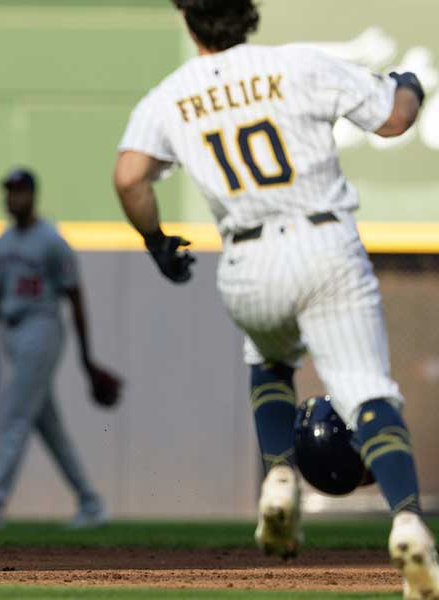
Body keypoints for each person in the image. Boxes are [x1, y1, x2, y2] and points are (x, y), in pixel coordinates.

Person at [113, 0, 435, 596]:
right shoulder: (299, 64)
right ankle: (409, 521)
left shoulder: (170, 94)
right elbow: (394, 119)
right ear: (248, 16)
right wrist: (410, 86)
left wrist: (156, 241)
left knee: (268, 360)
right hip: (323, 243)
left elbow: (130, 176)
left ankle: (280, 477)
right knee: (367, 391)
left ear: (190, 20)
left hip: (246, 260)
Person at [0, 168, 120, 530]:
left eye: (19, 191)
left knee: (14, 420)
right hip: (13, 333)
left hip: (42, 329)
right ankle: (91, 503)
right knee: (48, 428)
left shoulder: (51, 241)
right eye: (9, 191)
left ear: (32, 195)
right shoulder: (3, 243)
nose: (13, 198)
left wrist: (86, 358)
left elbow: (76, 298)